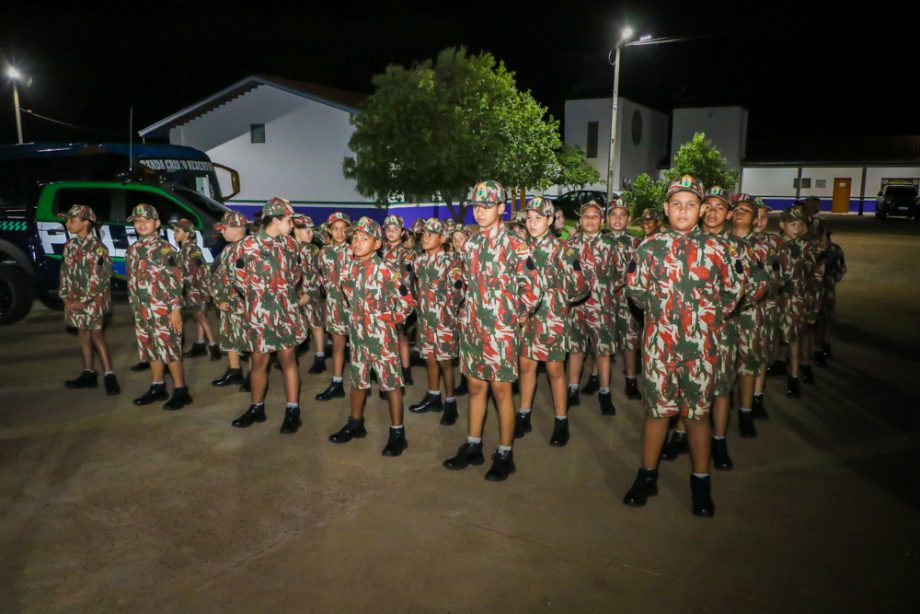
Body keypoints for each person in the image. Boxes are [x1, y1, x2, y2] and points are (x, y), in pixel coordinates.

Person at [622, 175, 742, 517]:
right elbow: (637, 292)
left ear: (703, 210)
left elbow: (733, 293)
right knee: (657, 413)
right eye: (676, 204)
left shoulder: (720, 249)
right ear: (666, 208)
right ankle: (647, 476)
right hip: (660, 347)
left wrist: (704, 320)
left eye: (691, 204)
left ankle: (700, 483)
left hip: (701, 350)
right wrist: (665, 319)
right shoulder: (648, 248)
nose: (683, 211)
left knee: (697, 417)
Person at [442, 180, 542, 481]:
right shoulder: (471, 243)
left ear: (501, 207)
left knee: (500, 391)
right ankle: (473, 446)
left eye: (487, 206)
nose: (480, 212)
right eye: (477, 206)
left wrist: (518, 315)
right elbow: (461, 278)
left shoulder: (515, 244)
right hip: (473, 327)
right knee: (475, 388)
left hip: (500, 330)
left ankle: (505, 453)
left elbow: (534, 287)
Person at [328, 217, 417, 456]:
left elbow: (408, 301)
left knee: (391, 385)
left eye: (363, 239)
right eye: (354, 238)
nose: (357, 243)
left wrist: (391, 317)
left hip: (382, 339)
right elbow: (349, 299)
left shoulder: (387, 270)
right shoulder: (347, 269)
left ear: (377, 244)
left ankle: (398, 433)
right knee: (358, 381)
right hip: (357, 337)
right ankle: (355, 424)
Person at [229, 198, 307, 434]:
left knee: (288, 361)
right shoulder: (246, 246)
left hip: (285, 314)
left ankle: (293, 411)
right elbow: (239, 280)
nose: (292, 225)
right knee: (259, 362)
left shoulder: (290, 246)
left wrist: (281, 295)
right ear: (275, 220)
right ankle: (257, 407)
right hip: (259, 315)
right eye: (289, 220)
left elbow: (295, 275)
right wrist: (261, 298)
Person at [517, 196, 588, 446]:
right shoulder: (521, 249)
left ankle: (561, 421)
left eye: (538, 218)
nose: (533, 223)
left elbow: (582, 284)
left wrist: (563, 300)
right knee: (526, 366)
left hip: (552, 318)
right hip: (526, 318)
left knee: (555, 370)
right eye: (529, 218)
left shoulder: (563, 250)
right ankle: (523, 415)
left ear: (549, 220)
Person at [126, 203, 192, 410]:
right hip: (142, 310)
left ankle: (181, 391)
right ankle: (158, 386)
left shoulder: (166, 250)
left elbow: (176, 281)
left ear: (157, 223)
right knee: (150, 349)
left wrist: (175, 310)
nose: (141, 224)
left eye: (146, 220)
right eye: (137, 221)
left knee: (170, 349)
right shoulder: (133, 250)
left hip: (163, 310)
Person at [565, 200, 621, 415]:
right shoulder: (571, 245)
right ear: (580, 220)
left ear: (602, 220)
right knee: (576, 349)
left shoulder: (611, 245)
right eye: (586, 216)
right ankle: (572, 390)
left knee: (603, 351)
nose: (590, 219)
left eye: (595, 216)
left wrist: (603, 292)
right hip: (576, 308)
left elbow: (620, 274)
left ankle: (605, 393)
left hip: (602, 308)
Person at [407, 218, 464, 425]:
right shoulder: (418, 261)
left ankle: (450, 404)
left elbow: (459, 291)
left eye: (431, 234)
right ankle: (433, 397)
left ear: (442, 238)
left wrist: (445, 310)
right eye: (424, 234)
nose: (426, 237)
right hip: (425, 321)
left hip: (444, 322)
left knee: (445, 364)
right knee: (429, 359)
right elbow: (414, 287)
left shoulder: (450, 262)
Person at [59, 204, 119, 395]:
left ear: (86, 222)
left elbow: (100, 278)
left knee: (97, 336)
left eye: (72, 220)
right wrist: (65, 297)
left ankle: (110, 375)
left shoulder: (98, 248)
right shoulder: (70, 246)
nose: (68, 224)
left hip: (94, 301)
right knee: (82, 334)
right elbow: (65, 272)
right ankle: (89, 373)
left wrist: (84, 301)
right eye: (67, 220)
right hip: (74, 299)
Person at [606, 198, 643, 400]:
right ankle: (597, 378)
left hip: (626, 301)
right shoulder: (601, 240)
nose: (618, 219)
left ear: (628, 219)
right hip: (603, 300)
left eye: (622, 215)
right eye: (613, 215)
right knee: (601, 341)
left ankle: (631, 380)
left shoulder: (636, 243)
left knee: (629, 341)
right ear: (608, 218)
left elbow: (638, 271)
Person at [210, 211, 249, 389]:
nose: (221, 232)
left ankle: (253, 375)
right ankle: (235, 371)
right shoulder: (228, 249)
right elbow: (218, 276)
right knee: (229, 338)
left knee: (249, 341)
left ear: (235, 229)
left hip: (246, 305)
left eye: (223, 229)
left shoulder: (250, 248)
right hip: (229, 304)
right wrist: (219, 298)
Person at [316, 212, 353, 401]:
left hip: (355, 306)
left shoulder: (356, 249)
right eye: (335, 228)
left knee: (358, 346)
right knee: (338, 345)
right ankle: (337, 382)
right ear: (329, 230)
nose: (339, 232)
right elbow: (321, 277)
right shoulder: (323, 252)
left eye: (343, 228)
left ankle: (364, 381)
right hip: (334, 305)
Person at [172, 218, 220, 361]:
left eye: (177, 231)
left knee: (200, 317)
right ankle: (200, 345)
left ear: (187, 234)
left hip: (196, 289)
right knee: (197, 317)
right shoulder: (187, 248)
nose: (174, 234)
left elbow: (201, 270)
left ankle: (213, 346)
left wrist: (200, 291)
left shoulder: (190, 249)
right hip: (194, 289)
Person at [776, 204, 811, 398]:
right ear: (782, 224)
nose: (796, 228)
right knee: (779, 336)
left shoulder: (806, 247)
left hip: (794, 299)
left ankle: (794, 377)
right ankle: (781, 364)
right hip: (776, 299)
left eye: (799, 224)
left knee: (794, 339)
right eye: (792, 224)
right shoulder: (776, 244)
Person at [380, 214, 416, 385]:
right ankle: (387, 370)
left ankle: (406, 371)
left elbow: (407, 277)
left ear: (402, 232)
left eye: (396, 229)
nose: (392, 232)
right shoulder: (379, 250)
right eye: (388, 229)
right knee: (384, 336)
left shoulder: (406, 252)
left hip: (400, 300)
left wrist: (392, 285)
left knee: (402, 336)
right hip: (381, 300)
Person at [292, 214, 327, 374]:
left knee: (316, 325)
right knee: (294, 326)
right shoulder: (288, 247)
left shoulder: (312, 249)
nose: (311, 234)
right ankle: (292, 357)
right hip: (292, 295)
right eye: (307, 230)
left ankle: (320, 358)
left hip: (310, 293)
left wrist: (308, 293)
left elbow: (317, 275)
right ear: (295, 230)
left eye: (312, 230)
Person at [814, 219, 846, 364]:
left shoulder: (835, 250)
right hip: (811, 290)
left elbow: (841, 270)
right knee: (812, 322)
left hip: (827, 290)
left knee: (826, 319)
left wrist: (832, 277)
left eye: (823, 234)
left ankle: (825, 346)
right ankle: (816, 349)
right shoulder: (810, 249)